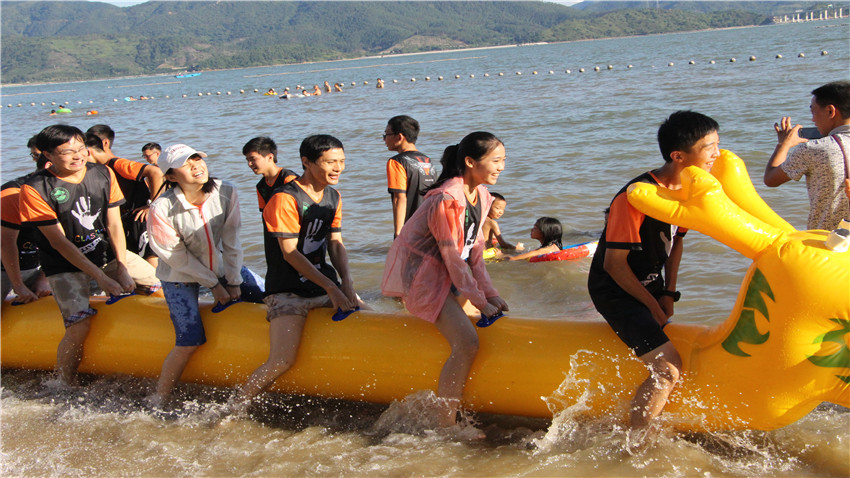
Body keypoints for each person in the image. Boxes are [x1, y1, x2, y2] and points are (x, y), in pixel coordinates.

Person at [587, 110, 720, 429]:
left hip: (650, 283)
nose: (718, 154)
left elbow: (676, 243)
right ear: (678, 156)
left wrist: (668, 293)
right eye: (710, 147)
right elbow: (613, 265)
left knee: (671, 351)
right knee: (667, 369)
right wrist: (652, 306)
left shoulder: (689, 189)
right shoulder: (634, 197)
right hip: (615, 289)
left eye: (718, 144)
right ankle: (636, 444)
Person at [382, 131, 509, 427]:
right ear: (470, 162)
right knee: (467, 342)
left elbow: (475, 253)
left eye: (504, 160)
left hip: (451, 274)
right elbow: (452, 256)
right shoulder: (446, 199)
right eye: (496, 160)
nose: (501, 167)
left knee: (483, 325)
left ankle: (463, 407)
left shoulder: (483, 196)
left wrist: (490, 294)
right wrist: (480, 300)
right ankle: (446, 425)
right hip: (424, 277)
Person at [234, 135, 367, 407]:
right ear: (306, 162)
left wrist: (346, 283)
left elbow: (335, 243)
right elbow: (289, 252)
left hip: (324, 285)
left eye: (342, 161)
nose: (338, 168)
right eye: (330, 162)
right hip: (288, 292)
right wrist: (332, 288)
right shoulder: (285, 198)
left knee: (371, 317)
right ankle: (233, 408)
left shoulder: (333, 196)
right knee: (282, 361)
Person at [19, 124, 138, 385]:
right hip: (63, 265)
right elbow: (59, 242)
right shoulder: (35, 189)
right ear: (48, 155)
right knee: (79, 325)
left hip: (105, 254)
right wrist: (102, 279)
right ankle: (64, 383)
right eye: (67, 151)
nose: (78, 156)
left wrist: (121, 265)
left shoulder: (103, 173)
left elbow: (114, 224)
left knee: (154, 284)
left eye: (81, 148)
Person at [146, 144, 265, 405]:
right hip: (179, 275)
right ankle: (160, 398)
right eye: (185, 164)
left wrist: (233, 280)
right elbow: (176, 256)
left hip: (220, 266)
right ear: (171, 176)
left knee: (270, 297)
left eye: (197, 158)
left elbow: (232, 240)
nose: (196, 166)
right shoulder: (161, 208)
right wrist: (214, 285)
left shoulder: (226, 191)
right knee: (189, 340)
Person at [763, 80, 850, 230]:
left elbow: (771, 179)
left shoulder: (815, 149)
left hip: (828, 240)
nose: (813, 119)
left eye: (813, 111)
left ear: (830, 111)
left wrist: (783, 145)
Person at [86, 125, 163, 268]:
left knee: (150, 258)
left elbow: (155, 172)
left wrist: (152, 205)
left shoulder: (117, 163)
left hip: (141, 218)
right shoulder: (101, 169)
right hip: (128, 219)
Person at [1, 138, 52, 302]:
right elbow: (5, 243)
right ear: (49, 165)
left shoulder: (62, 192)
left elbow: (61, 239)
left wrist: (45, 276)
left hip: (35, 266)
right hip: (4, 267)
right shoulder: (12, 193)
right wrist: (18, 286)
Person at [384, 115, 437, 238]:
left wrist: (398, 233)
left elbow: (399, 198)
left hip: (411, 230)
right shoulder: (428, 161)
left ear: (399, 137)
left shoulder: (397, 162)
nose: (384, 139)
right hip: (431, 228)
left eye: (386, 135)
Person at [242, 136, 299, 212]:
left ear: (270, 157)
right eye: (248, 160)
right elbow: (265, 213)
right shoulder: (260, 186)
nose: (249, 164)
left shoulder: (289, 179)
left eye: (253, 159)